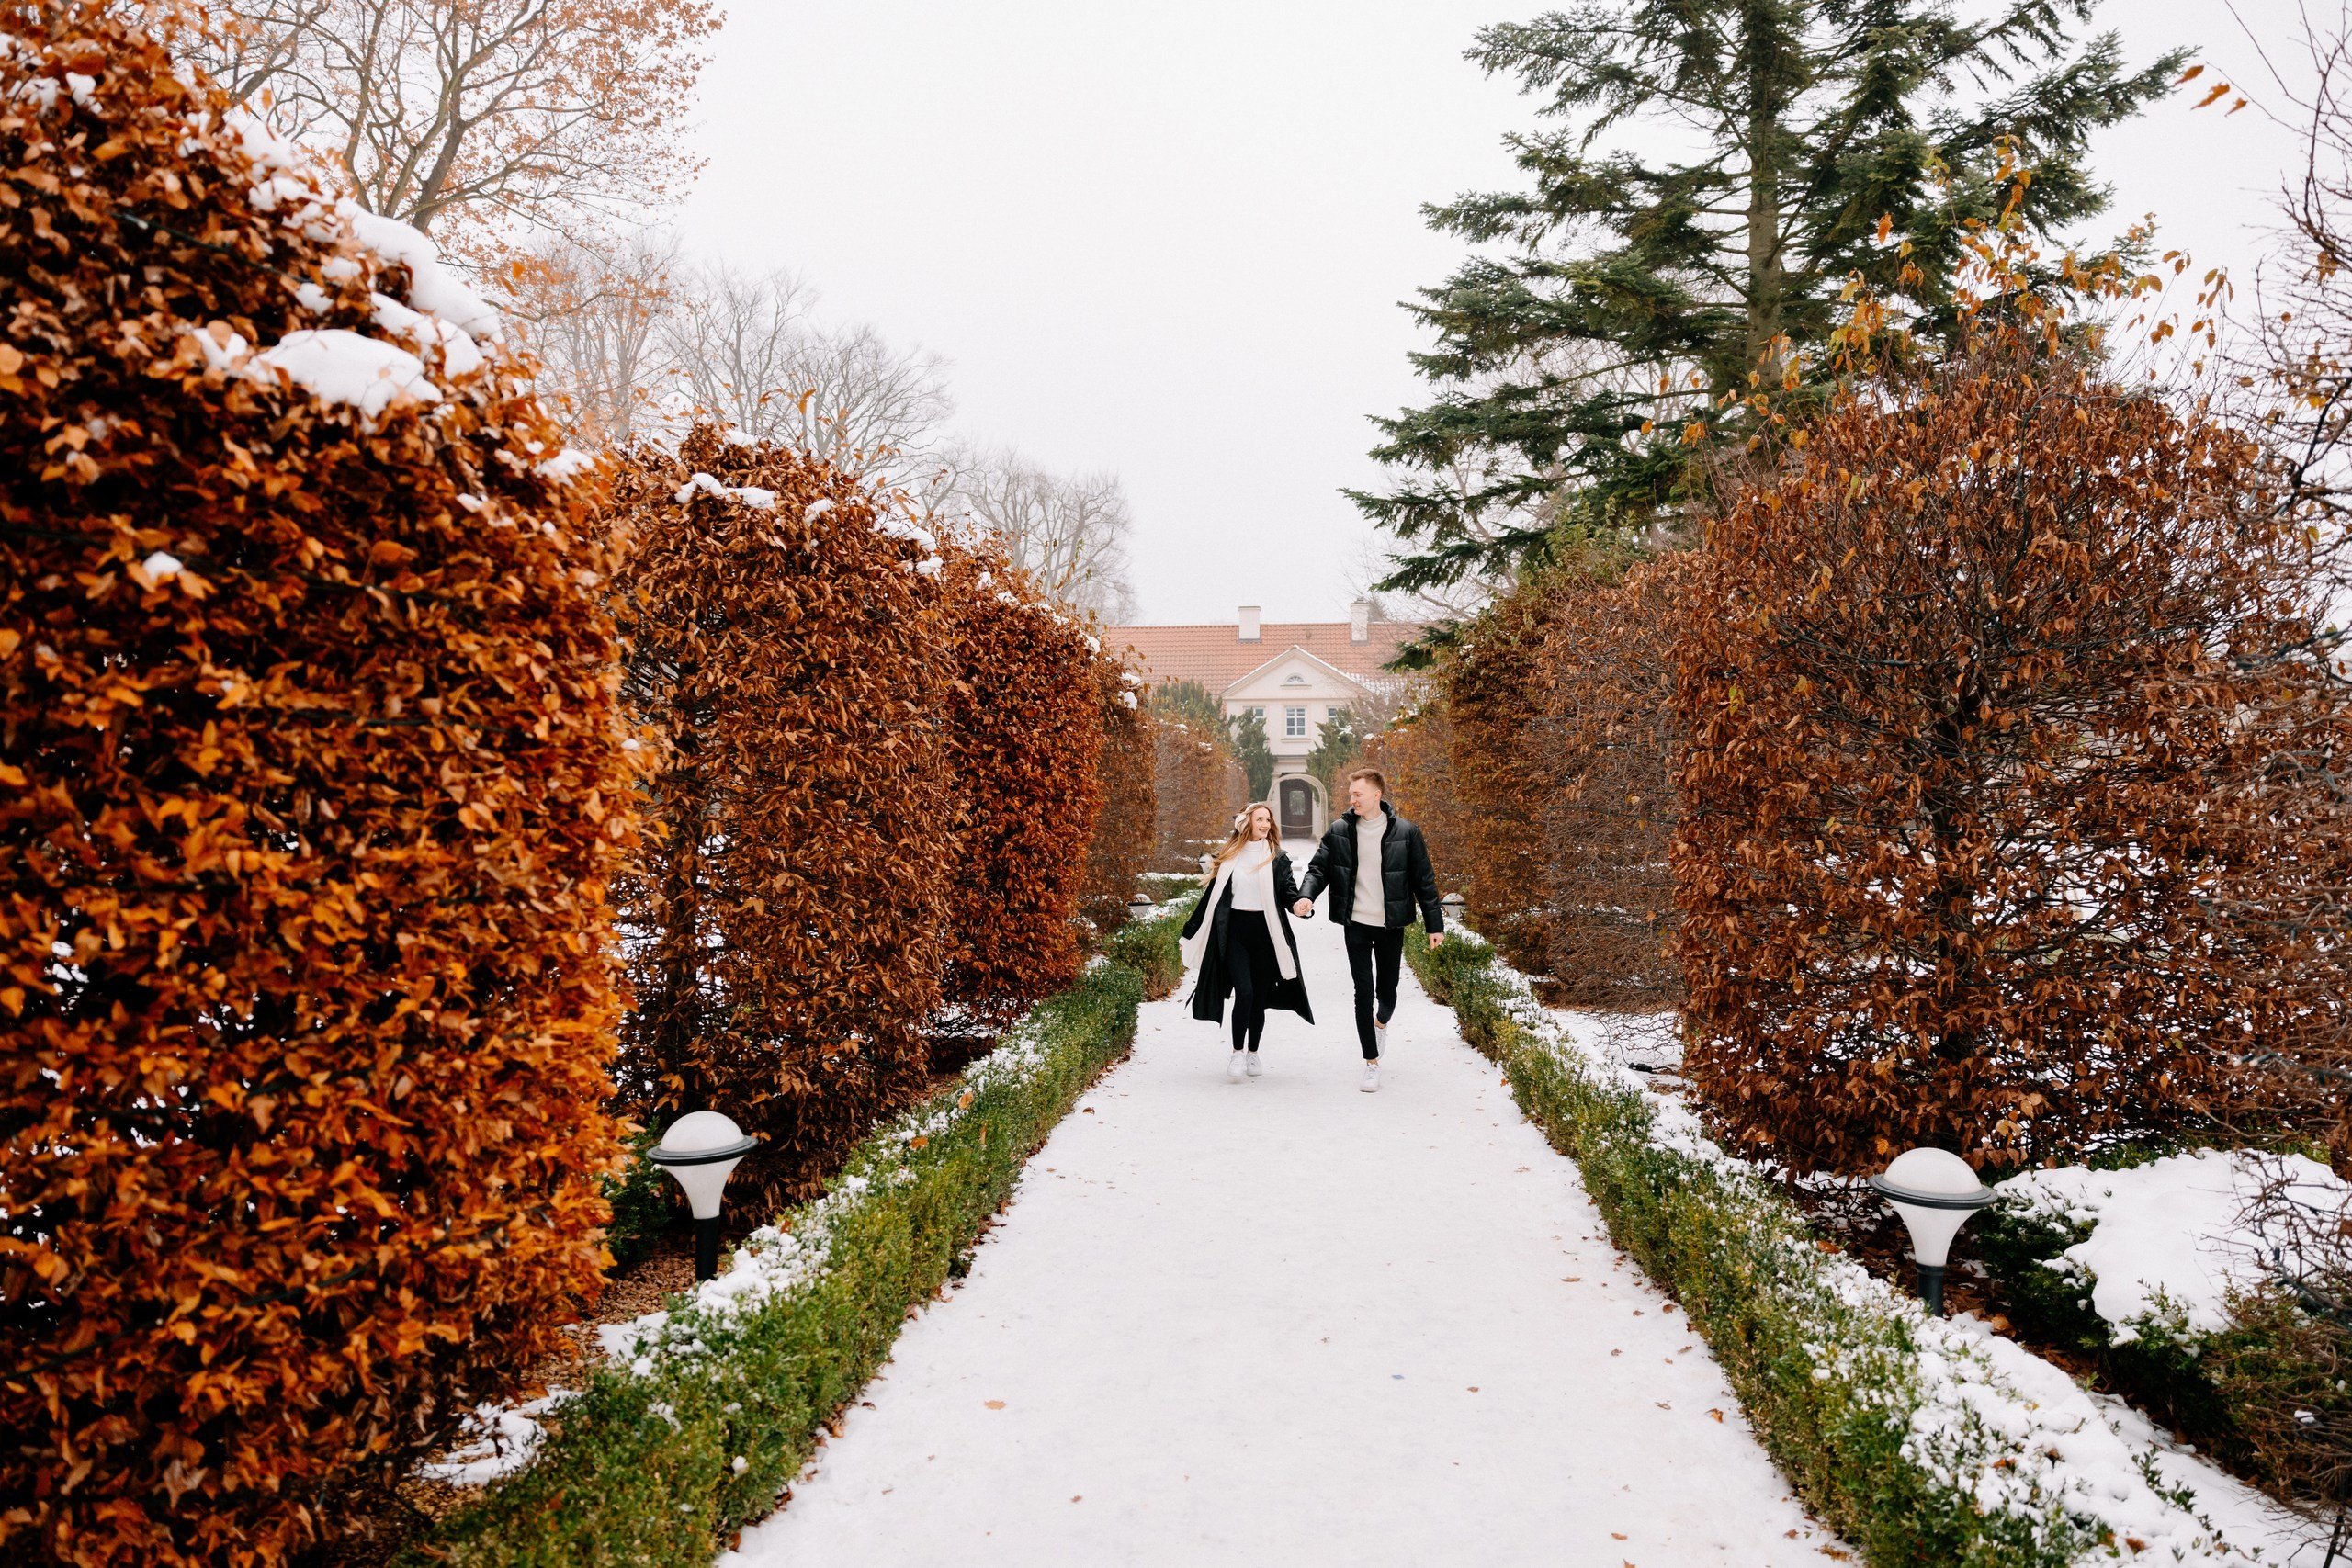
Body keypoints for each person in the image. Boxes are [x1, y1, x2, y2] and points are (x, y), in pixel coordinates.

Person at [1294, 768, 1443, 1094]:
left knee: (1387, 992)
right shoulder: (1340, 831)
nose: (1352, 799)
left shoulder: (1407, 832)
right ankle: (1371, 1063)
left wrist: (1435, 924)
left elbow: (1424, 880)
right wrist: (1306, 895)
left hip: (1391, 924)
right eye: (1351, 794)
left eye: (1358, 794)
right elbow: (1319, 868)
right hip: (1356, 923)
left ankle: (1381, 1023)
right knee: (1363, 992)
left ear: (1377, 794)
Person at [1180, 803, 1314, 1080]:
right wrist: (1189, 932)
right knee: (1246, 992)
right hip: (1235, 933)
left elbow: (1289, 893)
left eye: (1268, 819)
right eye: (1260, 819)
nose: (1265, 824)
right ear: (1247, 823)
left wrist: (1300, 905)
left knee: (1259, 998)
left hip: (1267, 935)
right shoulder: (1230, 857)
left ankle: (1254, 1052)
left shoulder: (1278, 858)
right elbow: (1211, 900)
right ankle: (1237, 1052)